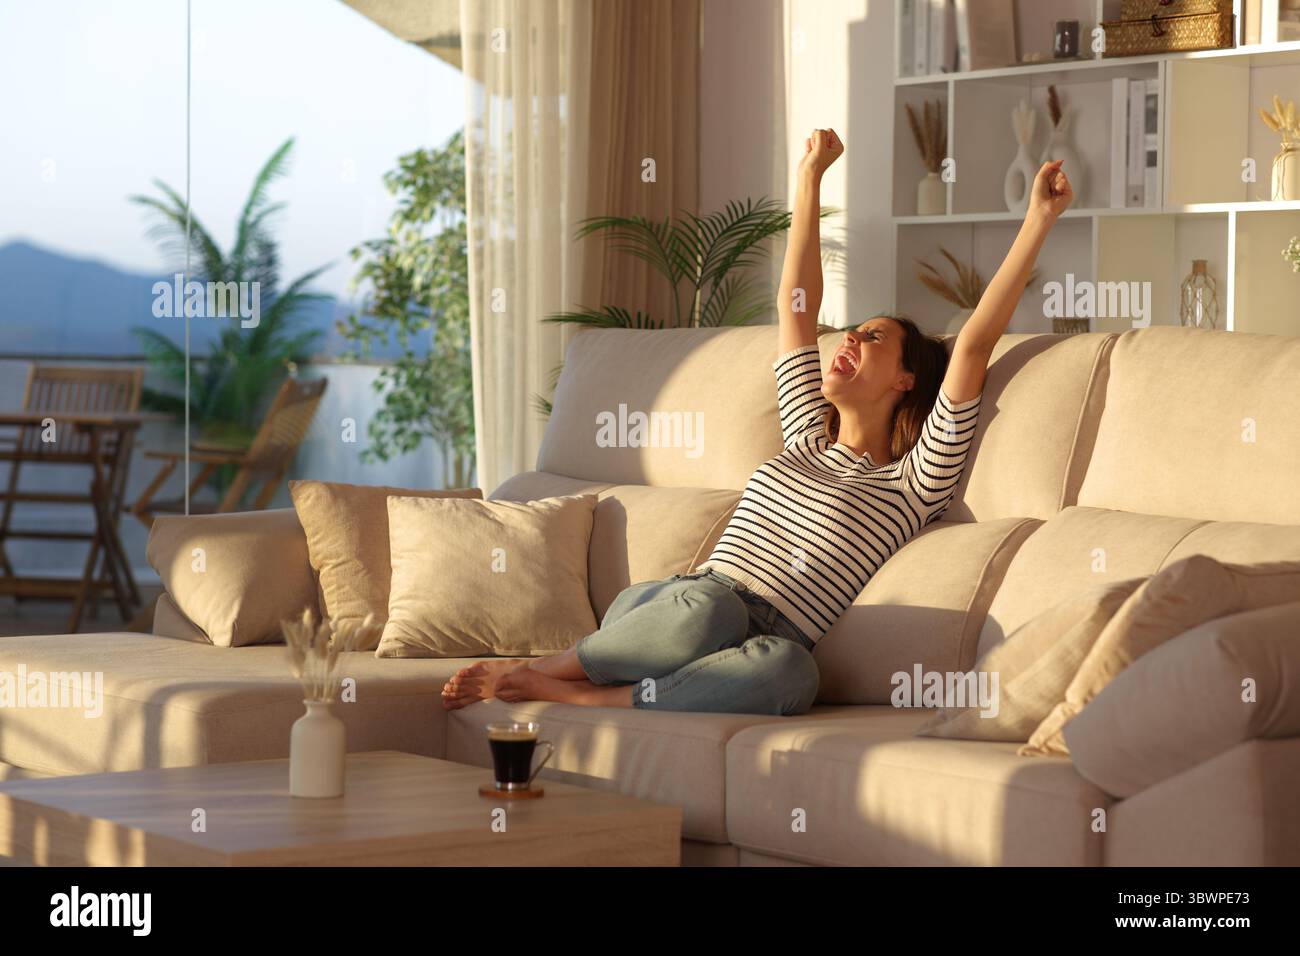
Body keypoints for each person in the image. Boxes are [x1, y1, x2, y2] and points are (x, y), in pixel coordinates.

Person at [442, 127, 1073, 716]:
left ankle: (596, 700)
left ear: (906, 380)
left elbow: (970, 348)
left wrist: (1038, 222)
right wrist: (809, 179)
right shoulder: (805, 433)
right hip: (682, 608)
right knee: (711, 607)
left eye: (872, 337)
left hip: (760, 643)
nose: (849, 339)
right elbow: (797, 308)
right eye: (852, 332)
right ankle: (547, 667)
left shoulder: (913, 485)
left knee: (793, 672)